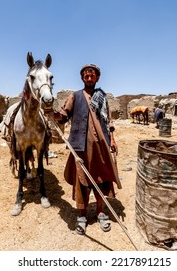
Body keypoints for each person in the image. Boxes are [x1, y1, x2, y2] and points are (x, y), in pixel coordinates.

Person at [53, 64, 122, 235]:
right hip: (81, 147)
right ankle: (82, 216)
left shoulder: (102, 97)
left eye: (92, 76)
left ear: (97, 78)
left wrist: (112, 139)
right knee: (82, 180)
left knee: (101, 180)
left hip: (101, 146)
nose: (89, 78)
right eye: (86, 76)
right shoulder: (75, 96)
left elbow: (109, 121)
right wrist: (51, 113)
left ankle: (99, 212)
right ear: (82, 78)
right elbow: (63, 116)